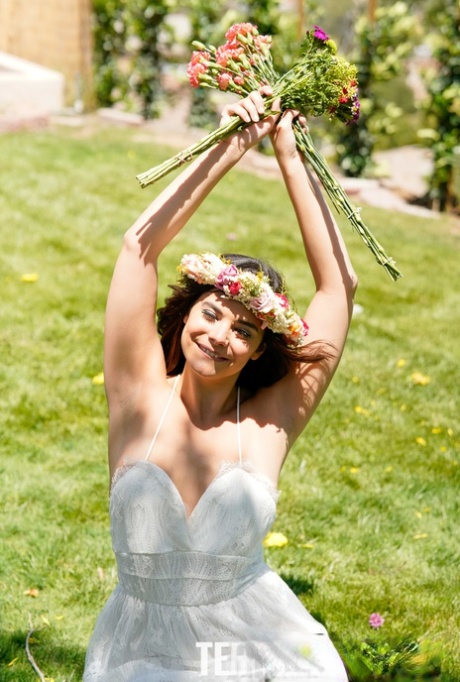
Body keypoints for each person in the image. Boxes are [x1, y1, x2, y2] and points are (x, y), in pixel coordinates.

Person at [83, 87, 357, 682]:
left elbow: (339, 290)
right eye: (212, 313)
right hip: (144, 649)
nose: (219, 335)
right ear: (187, 313)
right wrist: (232, 146)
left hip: (252, 644)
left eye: (244, 330)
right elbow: (139, 248)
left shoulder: (269, 422)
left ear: (260, 350)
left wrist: (290, 152)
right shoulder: (138, 399)